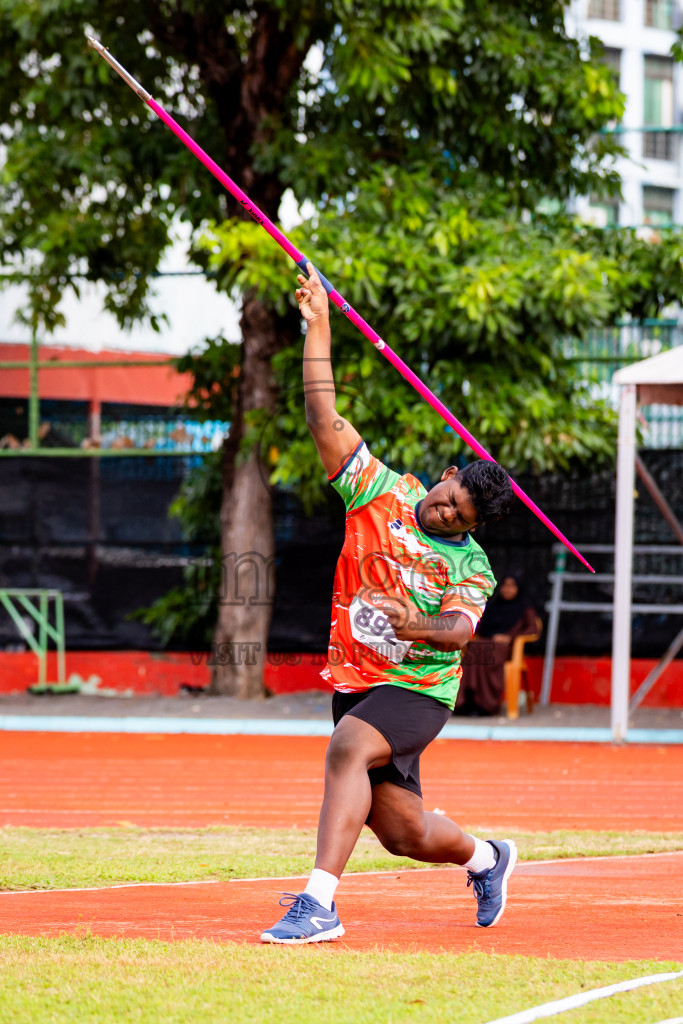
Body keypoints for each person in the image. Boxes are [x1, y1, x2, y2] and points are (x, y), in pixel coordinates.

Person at [261, 264, 516, 945]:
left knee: (346, 748)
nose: (444, 513)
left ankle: (319, 905)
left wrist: (414, 623)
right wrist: (319, 325)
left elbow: (458, 632)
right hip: (357, 680)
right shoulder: (378, 489)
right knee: (402, 832)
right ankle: (487, 858)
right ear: (446, 475)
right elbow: (323, 416)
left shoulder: (471, 566)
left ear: (474, 527)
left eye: (459, 517)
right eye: (448, 498)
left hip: (418, 690)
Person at [454, 574, 538, 717]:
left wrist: (510, 637)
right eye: (505, 586)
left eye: (512, 586)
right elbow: (479, 627)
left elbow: (533, 629)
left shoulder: (525, 608)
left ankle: (486, 705)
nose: (507, 589)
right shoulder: (493, 606)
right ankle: (468, 702)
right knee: (473, 649)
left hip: (506, 649)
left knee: (485, 652)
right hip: (484, 643)